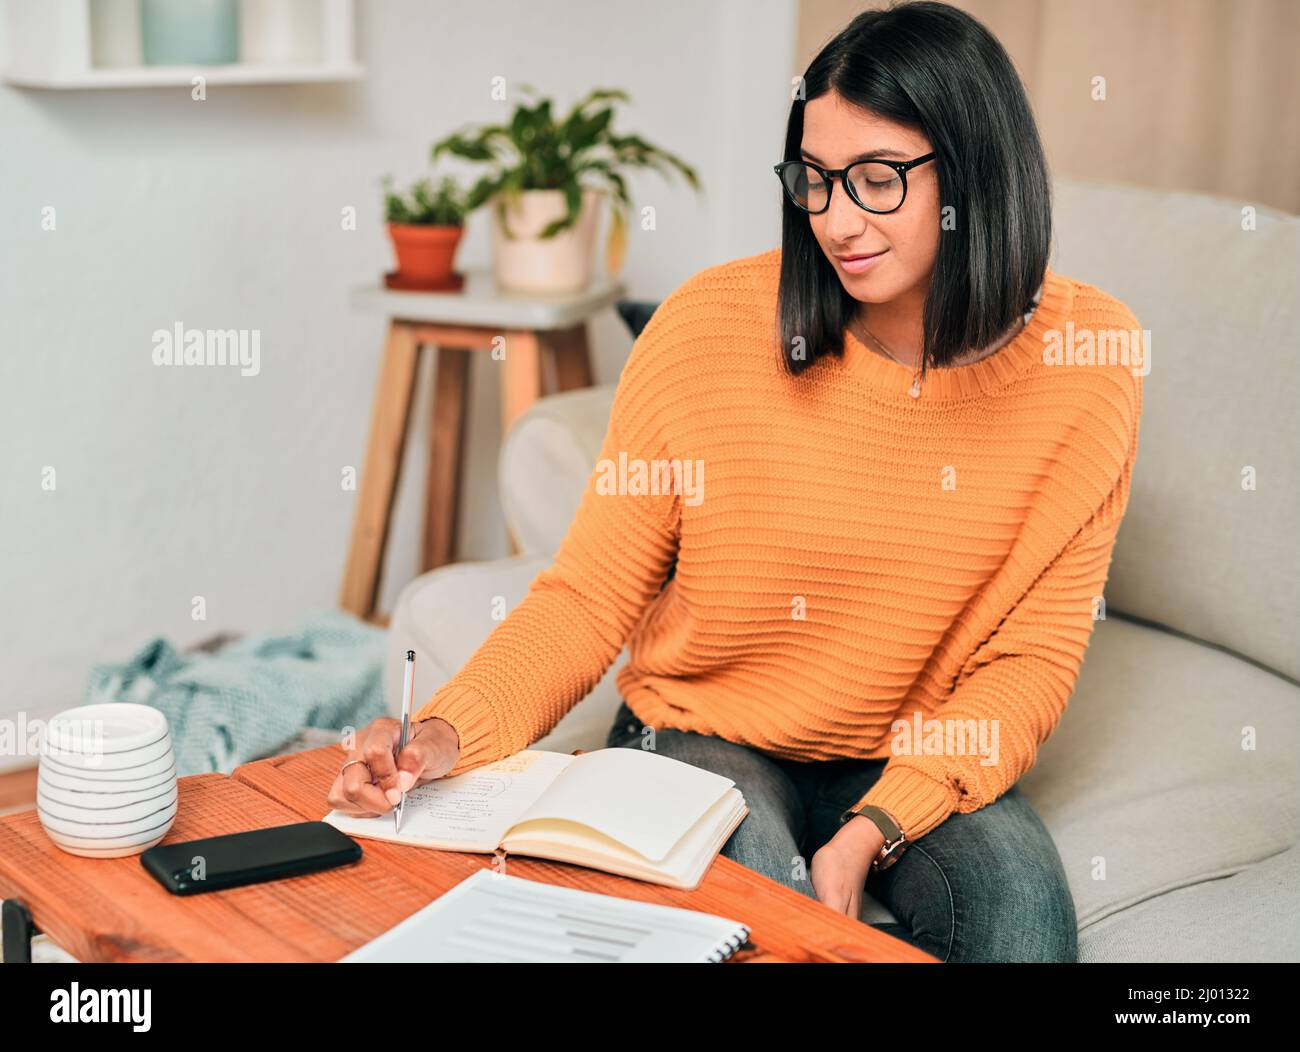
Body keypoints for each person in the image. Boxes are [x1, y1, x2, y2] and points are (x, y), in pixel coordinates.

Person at [327, 1, 1143, 963]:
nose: (837, 221)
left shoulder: (1092, 361)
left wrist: (877, 826)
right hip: (705, 730)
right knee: (763, 932)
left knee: (1027, 926)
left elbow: (1028, 663)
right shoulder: (707, 327)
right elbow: (588, 598)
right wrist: (441, 735)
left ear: (977, 169)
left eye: (877, 180)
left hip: (920, 745)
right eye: (815, 181)